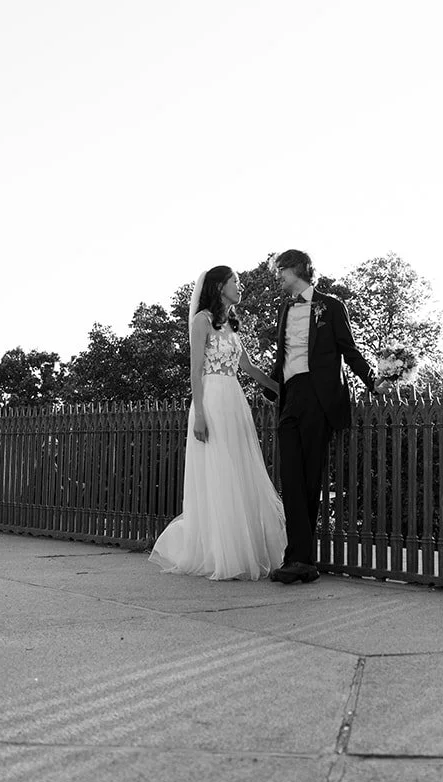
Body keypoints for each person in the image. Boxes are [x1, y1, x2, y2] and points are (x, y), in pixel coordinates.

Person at [149, 266, 285, 581]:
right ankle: (220, 553)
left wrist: (281, 389)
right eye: (235, 281)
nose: (240, 286)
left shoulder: (232, 325)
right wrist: (199, 414)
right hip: (210, 401)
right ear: (220, 286)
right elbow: (195, 371)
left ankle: (241, 548)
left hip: (234, 402)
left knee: (238, 469)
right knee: (218, 471)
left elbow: (248, 367)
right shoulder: (202, 321)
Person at [268, 249, 393, 585]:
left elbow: (349, 350)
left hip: (318, 397)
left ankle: (300, 560)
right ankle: (299, 558)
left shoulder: (331, 306)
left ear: (296, 269)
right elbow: (283, 356)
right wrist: (268, 389)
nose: (277, 276)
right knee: (291, 478)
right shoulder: (285, 309)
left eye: (280, 270)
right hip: (290, 397)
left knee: (309, 480)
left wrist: (372, 381)